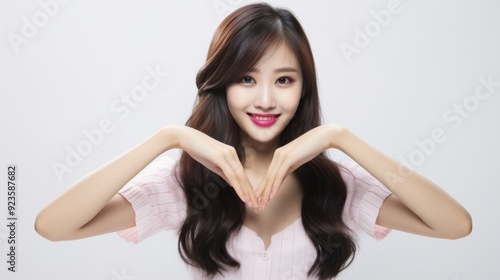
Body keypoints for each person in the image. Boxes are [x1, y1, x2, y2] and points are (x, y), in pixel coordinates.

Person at [35, 3, 472, 279]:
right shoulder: (188, 180)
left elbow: (455, 225)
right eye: (246, 78)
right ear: (222, 84)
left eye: (284, 79)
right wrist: (166, 138)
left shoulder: (333, 182)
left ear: (304, 89)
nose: (265, 98)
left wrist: (341, 137)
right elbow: (52, 227)